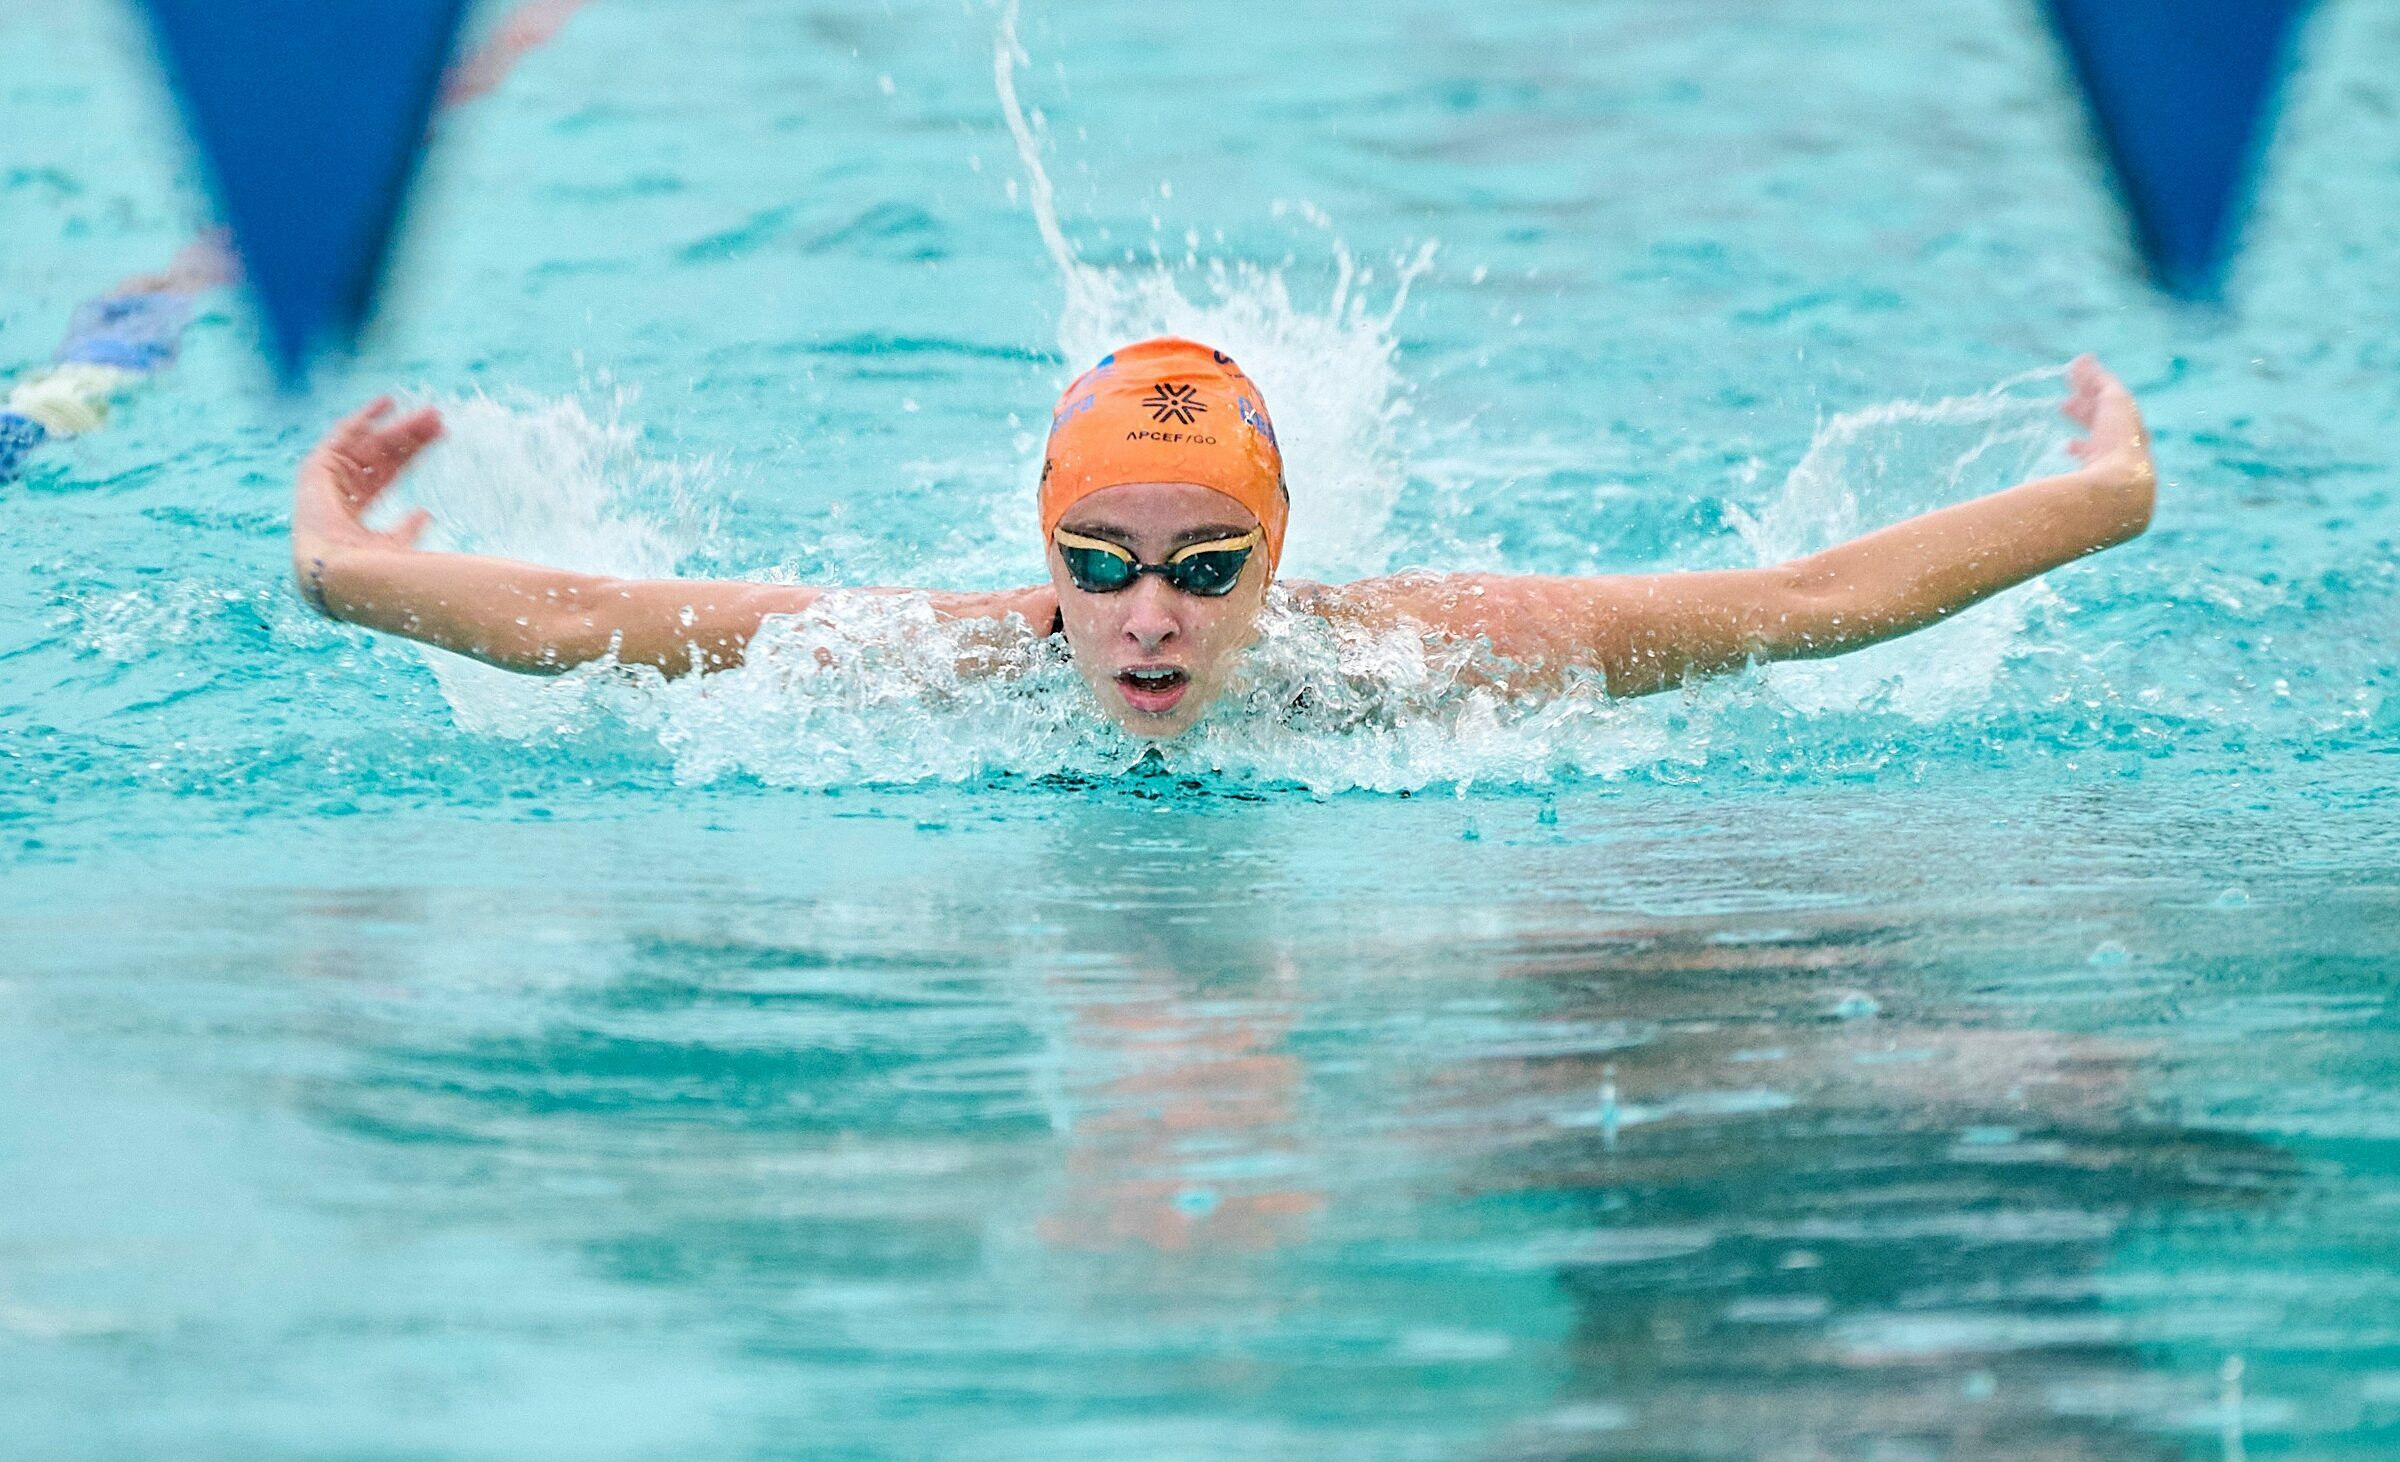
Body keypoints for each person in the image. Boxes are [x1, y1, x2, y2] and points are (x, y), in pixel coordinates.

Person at [290, 337, 2155, 736]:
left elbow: (1803, 602)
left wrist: (2105, 495)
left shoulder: (1434, 657)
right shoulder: (934, 658)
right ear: (1043, 558)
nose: (1145, 615)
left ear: (1278, 562)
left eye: (1205, 568)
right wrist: (337, 563)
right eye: (1095, 565)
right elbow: (590, 614)